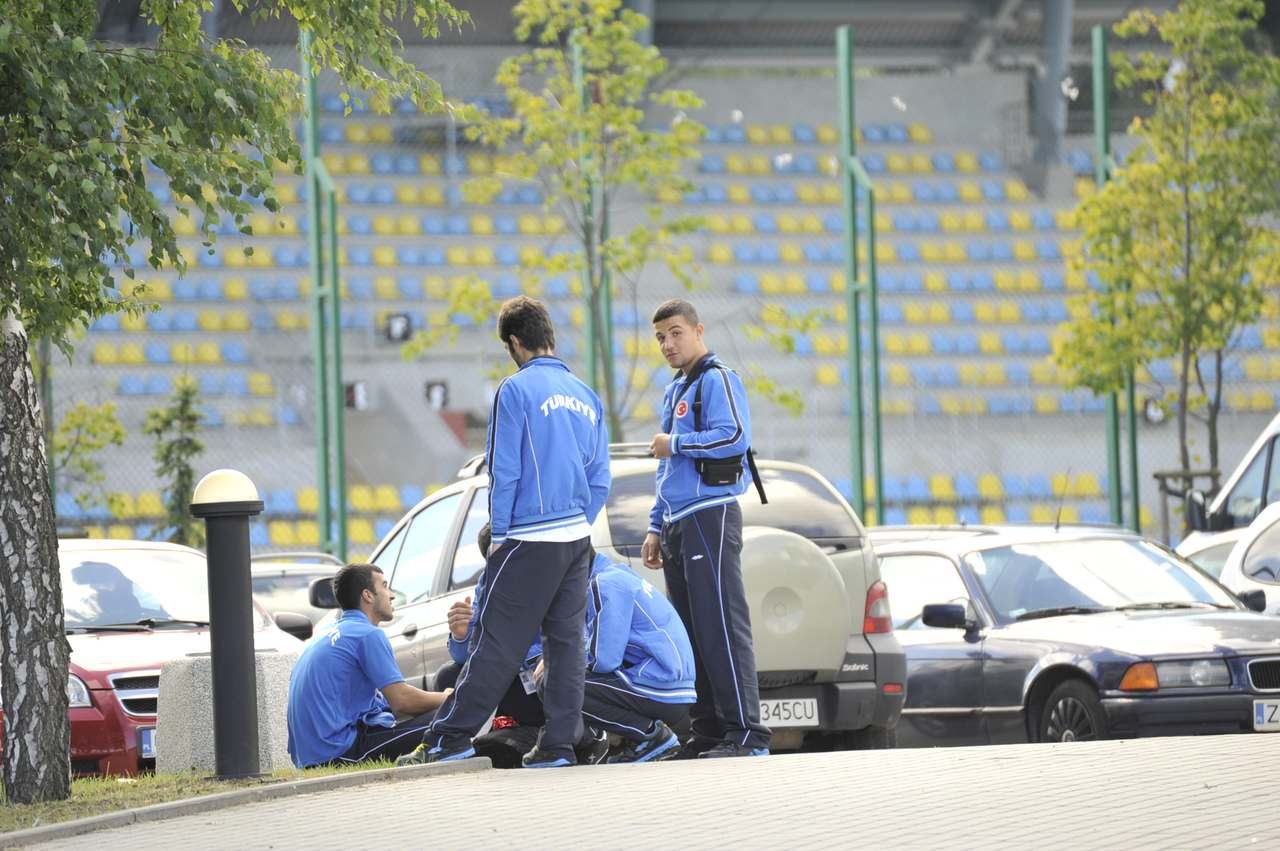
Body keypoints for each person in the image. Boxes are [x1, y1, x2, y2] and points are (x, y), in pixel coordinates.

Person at [399, 295, 610, 768]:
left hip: (528, 538)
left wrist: (501, 537)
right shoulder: (586, 394)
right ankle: (557, 745)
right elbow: (600, 478)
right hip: (577, 539)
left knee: (494, 642)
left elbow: (505, 470)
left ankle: (448, 739)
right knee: (565, 645)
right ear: (549, 335)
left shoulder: (514, 391)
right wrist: (577, 519)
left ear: (515, 343)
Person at [641, 298, 772, 758]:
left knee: (721, 626)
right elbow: (666, 471)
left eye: (675, 333)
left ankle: (748, 734)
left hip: (710, 515)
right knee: (693, 630)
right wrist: (656, 525)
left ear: (698, 331)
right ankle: (710, 731)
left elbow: (735, 435)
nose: (667, 343)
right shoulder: (675, 390)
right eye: (660, 337)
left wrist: (675, 442)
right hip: (678, 522)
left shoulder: (717, 379)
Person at [286, 563, 451, 767]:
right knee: (453, 715)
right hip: (340, 753)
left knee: (440, 712)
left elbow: (392, 706)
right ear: (368, 595)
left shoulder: (327, 633)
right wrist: (446, 697)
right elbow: (402, 702)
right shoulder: (367, 634)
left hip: (310, 756)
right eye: (385, 586)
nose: (391, 595)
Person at [577, 547, 696, 763]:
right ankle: (640, 741)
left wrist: (557, 659)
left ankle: (650, 735)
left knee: (558, 684)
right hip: (675, 688)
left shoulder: (604, 583)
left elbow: (603, 660)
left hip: (660, 687)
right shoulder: (618, 574)